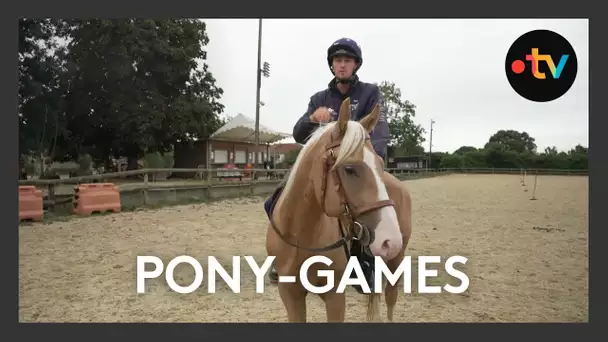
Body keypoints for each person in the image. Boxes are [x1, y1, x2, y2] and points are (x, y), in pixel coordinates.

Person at [263, 37, 390, 294]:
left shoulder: (370, 93)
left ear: (356, 65)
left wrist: (370, 163)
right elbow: (299, 134)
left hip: (356, 166)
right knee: (275, 198)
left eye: (347, 61)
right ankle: (280, 255)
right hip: (320, 168)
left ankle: (366, 262)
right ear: (332, 66)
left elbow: (379, 132)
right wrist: (312, 118)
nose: (342, 65)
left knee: (370, 207)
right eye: (337, 61)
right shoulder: (319, 98)